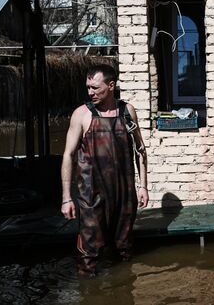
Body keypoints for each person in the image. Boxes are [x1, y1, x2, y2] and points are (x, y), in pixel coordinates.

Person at [60, 64, 149, 276]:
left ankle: (123, 290)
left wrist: (143, 186)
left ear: (111, 86)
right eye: (88, 87)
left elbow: (140, 150)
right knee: (89, 254)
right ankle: (90, 292)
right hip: (91, 195)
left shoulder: (127, 112)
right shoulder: (81, 115)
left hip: (124, 193)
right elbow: (68, 156)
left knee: (124, 249)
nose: (90, 92)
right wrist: (66, 198)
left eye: (95, 88)